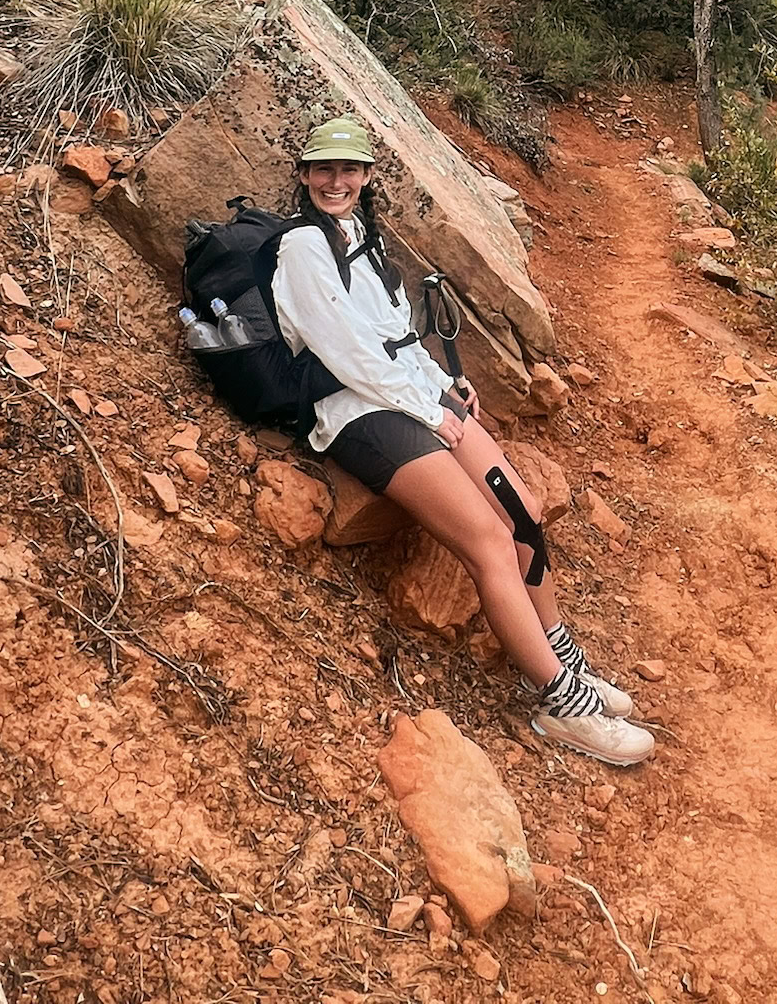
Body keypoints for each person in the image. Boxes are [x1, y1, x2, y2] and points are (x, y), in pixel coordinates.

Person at [272, 115, 655, 768]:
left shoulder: (362, 240)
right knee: (488, 539)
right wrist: (429, 406)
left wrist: (446, 385)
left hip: (413, 401)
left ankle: (563, 657)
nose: (337, 182)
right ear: (306, 175)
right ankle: (561, 706)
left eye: (349, 170)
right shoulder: (302, 248)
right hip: (357, 414)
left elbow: (394, 338)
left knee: (524, 516)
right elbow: (344, 352)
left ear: (366, 177)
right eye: (324, 169)